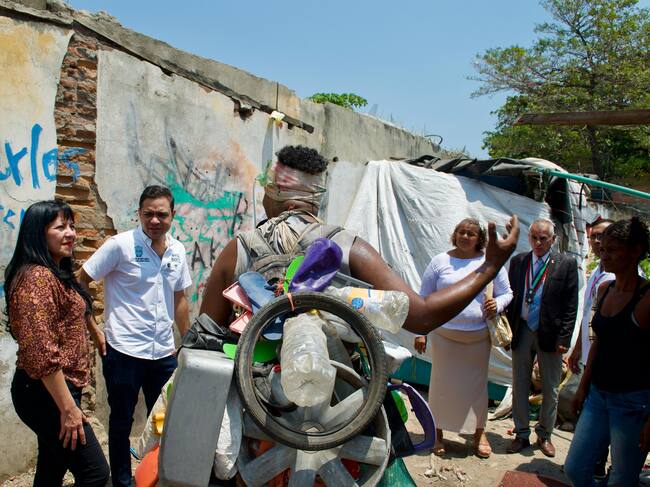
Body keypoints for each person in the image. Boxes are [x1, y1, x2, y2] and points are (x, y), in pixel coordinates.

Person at [200, 144, 520, 341]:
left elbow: (205, 335)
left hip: (253, 408)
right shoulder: (349, 247)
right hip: (336, 415)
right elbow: (421, 317)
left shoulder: (239, 248)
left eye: (267, 187)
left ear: (279, 193)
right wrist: (489, 267)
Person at [79, 185, 192, 487]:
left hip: (163, 353)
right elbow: (81, 281)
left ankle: (158, 478)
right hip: (123, 351)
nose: (155, 220)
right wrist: (93, 328)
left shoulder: (178, 251)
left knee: (167, 421)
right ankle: (122, 482)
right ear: (139, 213)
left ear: (172, 215)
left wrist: (188, 341)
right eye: (148, 214)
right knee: (121, 422)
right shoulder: (120, 245)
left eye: (161, 214)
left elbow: (179, 298)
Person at [6, 200, 109, 487]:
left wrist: (95, 330)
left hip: (54, 390)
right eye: (60, 227)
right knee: (95, 474)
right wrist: (68, 408)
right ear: (38, 233)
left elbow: (73, 308)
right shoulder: (36, 279)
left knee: (51, 469)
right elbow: (41, 352)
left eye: (72, 226)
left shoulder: (54, 271)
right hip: (45, 393)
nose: (71, 233)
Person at [414, 218, 513, 458]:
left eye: (471, 234)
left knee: (476, 389)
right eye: (461, 232)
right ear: (455, 234)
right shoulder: (440, 261)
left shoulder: (489, 262)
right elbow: (423, 297)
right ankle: (436, 434)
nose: (465, 237)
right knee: (440, 386)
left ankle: (479, 434)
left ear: (480, 239)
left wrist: (497, 304)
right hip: (444, 336)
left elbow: (507, 293)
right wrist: (421, 331)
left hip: (477, 338)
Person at [564, 217, 650, 487]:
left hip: (634, 402)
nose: (604, 255)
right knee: (575, 469)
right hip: (598, 395)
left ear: (635, 252)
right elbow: (598, 342)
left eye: (612, 250)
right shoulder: (604, 289)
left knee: (622, 480)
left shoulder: (646, 299)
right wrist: (583, 387)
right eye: (602, 249)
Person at [505, 218, 578, 457]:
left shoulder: (566, 264)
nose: (538, 243)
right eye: (534, 238)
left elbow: (571, 305)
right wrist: (508, 332)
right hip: (523, 329)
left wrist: (564, 339)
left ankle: (545, 435)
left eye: (543, 238)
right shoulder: (518, 262)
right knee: (520, 383)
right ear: (529, 238)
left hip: (550, 334)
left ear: (553, 239)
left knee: (550, 388)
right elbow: (510, 296)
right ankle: (521, 433)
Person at [568, 218, 615, 374]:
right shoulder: (596, 271)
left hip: (606, 358)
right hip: (589, 354)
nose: (596, 241)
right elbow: (588, 312)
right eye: (593, 236)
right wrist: (578, 347)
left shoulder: (616, 276)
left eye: (601, 236)